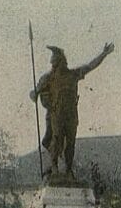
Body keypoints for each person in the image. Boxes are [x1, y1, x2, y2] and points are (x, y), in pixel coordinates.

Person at [30, 42, 114, 179]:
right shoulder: (48, 78)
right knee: (56, 140)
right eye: (53, 58)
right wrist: (34, 94)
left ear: (60, 60)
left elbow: (90, 66)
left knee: (70, 143)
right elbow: (34, 92)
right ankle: (54, 167)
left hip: (71, 115)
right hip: (56, 114)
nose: (52, 61)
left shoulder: (73, 75)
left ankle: (68, 169)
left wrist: (103, 54)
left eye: (55, 58)